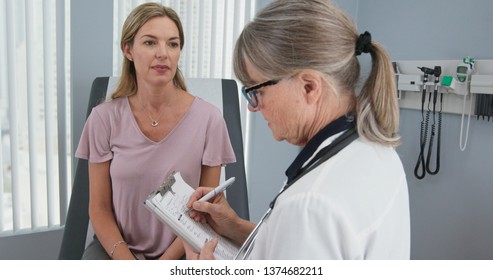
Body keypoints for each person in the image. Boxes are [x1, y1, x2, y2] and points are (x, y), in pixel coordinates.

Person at [185, 0, 410, 260]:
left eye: (257, 90)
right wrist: (236, 228)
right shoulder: (377, 151)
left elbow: (305, 232)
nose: (253, 107)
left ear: (309, 87)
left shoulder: (309, 206)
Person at [75, 3, 236, 260]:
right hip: (116, 250)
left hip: (185, 249)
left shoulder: (210, 120)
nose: (163, 53)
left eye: (172, 44)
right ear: (128, 49)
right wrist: (127, 263)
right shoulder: (103, 119)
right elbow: (99, 209)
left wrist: (161, 266)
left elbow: (203, 210)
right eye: (150, 43)